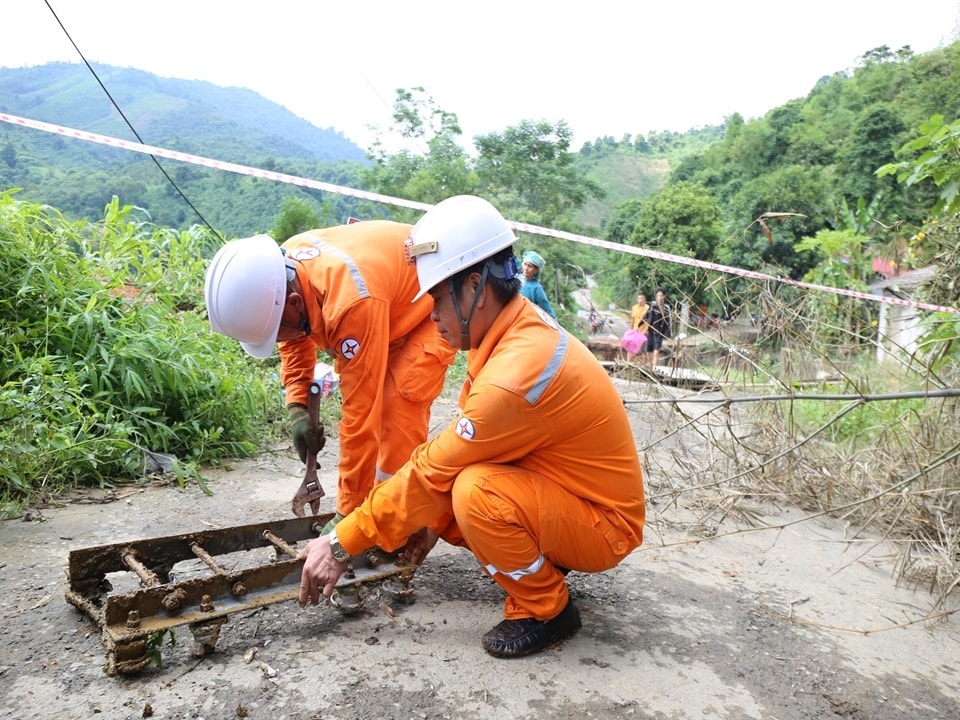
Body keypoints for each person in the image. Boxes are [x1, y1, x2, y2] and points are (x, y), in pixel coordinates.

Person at [297, 195, 645, 658]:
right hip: (567, 493)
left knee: (473, 493)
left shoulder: (514, 373)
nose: (431, 314)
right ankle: (542, 560)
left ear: (476, 285)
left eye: (438, 298)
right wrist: (429, 524)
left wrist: (340, 544)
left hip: (603, 524)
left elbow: (431, 471)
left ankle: (546, 607)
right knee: (451, 489)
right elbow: (450, 456)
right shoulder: (506, 330)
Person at [204, 220, 457, 530]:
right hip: (384, 307)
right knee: (377, 411)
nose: (283, 341)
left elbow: (360, 415)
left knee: (395, 408)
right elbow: (296, 338)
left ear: (294, 303)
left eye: (277, 334)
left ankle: (395, 524)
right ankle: (373, 517)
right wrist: (297, 407)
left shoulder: (349, 303)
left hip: (429, 311)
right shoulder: (286, 269)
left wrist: (346, 513)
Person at [518, 250, 556, 319]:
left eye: (530, 266)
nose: (526, 268)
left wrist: (556, 325)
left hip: (523, 319)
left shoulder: (536, 288)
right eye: (525, 264)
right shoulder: (515, 278)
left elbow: (547, 309)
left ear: (536, 270)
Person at [644, 287, 673, 368]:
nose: (659, 298)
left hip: (659, 333)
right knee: (648, 352)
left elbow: (669, 321)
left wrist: (670, 335)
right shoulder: (653, 306)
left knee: (656, 352)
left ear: (664, 296)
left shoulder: (666, 308)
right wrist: (641, 327)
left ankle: (654, 368)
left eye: (661, 296)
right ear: (656, 297)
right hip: (651, 332)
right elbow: (646, 317)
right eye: (658, 296)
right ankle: (649, 366)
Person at [627, 292, 650, 363]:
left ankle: (644, 365)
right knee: (631, 349)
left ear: (645, 299)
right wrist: (630, 330)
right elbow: (632, 320)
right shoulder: (634, 308)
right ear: (637, 299)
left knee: (644, 351)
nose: (640, 300)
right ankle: (628, 363)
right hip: (635, 331)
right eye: (639, 298)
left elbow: (649, 321)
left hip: (644, 332)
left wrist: (645, 330)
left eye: (642, 298)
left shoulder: (648, 308)